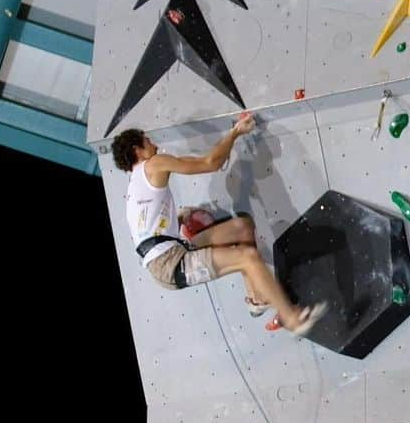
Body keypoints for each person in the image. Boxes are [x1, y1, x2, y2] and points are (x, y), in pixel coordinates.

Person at [112, 113, 326, 334]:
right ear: (137, 150)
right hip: (170, 263)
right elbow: (210, 163)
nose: (155, 145)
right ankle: (293, 320)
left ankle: (257, 298)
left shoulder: (133, 185)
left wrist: (179, 217)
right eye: (148, 142)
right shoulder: (153, 163)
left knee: (242, 227)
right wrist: (235, 132)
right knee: (248, 257)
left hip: (169, 253)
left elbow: (148, 230)